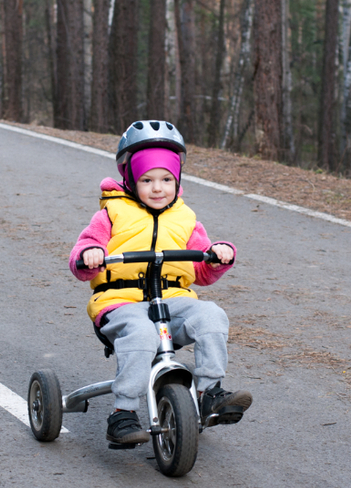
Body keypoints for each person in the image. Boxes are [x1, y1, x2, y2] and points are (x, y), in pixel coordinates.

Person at [69, 120, 252, 445]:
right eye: (147, 180)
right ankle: (123, 412)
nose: (158, 188)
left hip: (173, 301)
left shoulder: (185, 218)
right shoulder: (111, 214)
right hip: (120, 304)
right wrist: (91, 254)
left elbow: (203, 271)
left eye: (167, 179)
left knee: (211, 315)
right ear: (129, 179)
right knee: (141, 334)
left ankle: (210, 392)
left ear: (177, 179)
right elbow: (82, 254)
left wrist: (219, 255)